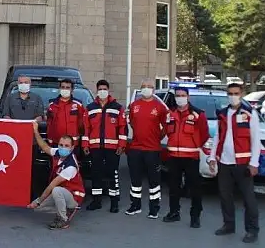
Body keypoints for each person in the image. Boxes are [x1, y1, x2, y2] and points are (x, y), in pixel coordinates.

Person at [208, 83, 261, 243]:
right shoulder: (223, 113)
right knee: (225, 196)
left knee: (248, 199)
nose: (233, 96)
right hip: (224, 162)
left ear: (242, 93)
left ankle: (252, 230)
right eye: (230, 93)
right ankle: (228, 225)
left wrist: (254, 163)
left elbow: (256, 139)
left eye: (236, 93)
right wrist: (212, 157)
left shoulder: (250, 113)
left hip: (243, 163)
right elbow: (218, 136)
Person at [163, 86, 210, 228]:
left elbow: (204, 134)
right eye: (178, 95)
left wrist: (194, 146)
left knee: (195, 188)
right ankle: (174, 212)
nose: (180, 98)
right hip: (173, 156)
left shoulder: (198, 114)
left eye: (183, 95)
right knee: (174, 187)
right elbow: (166, 131)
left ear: (188, 97)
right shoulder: (170, 113)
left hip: (191, 157)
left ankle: (195, 216)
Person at [28, 123, 86, 230]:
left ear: (72, 148)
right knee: (38, 209)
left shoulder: (71, 167)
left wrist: (38, 201)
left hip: (74, 196)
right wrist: (35, 131)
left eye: (66, 146)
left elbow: (52, 185)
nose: (63, 148)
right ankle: (64, 209)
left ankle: (63, 219)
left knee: (56, 190)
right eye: (61, 145)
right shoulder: (59, 153)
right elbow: (45, 147)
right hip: (64, 191)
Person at [125, 78, 169, 219]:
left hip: (153, 149)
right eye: (143, 86)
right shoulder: (134, 105)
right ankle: (135, 205)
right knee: (135, 180)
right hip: (136, 148)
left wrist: (156, 138)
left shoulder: (160, 107)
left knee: (154, 180)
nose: (146, 89)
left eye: (149, 87)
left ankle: (154, 208)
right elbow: (131, 123)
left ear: (153, 90)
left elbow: (165, 127)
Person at [82, 79, 127, 213]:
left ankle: (114, 202)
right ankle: (96, 201)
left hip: (112, 149)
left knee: (113, 174)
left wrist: (122, 145)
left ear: (108, 90)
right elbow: (86, 129)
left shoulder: (118, 108)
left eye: (104, 89)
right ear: (97, 91)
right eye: (100, 89)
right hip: (95, 148)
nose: (102, 91)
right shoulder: (90, 108)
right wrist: (85, 144)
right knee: (96, 174)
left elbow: (123, 128)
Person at [45, 79, 87, 147]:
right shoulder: (52, 105)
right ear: (59, 88)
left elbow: (82, 124)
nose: (65, 89)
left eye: (67, 88)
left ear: (72, 90)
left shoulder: (78, 105)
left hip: (73, 144)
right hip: (56, 143)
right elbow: (49, 124)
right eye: (63, 87)